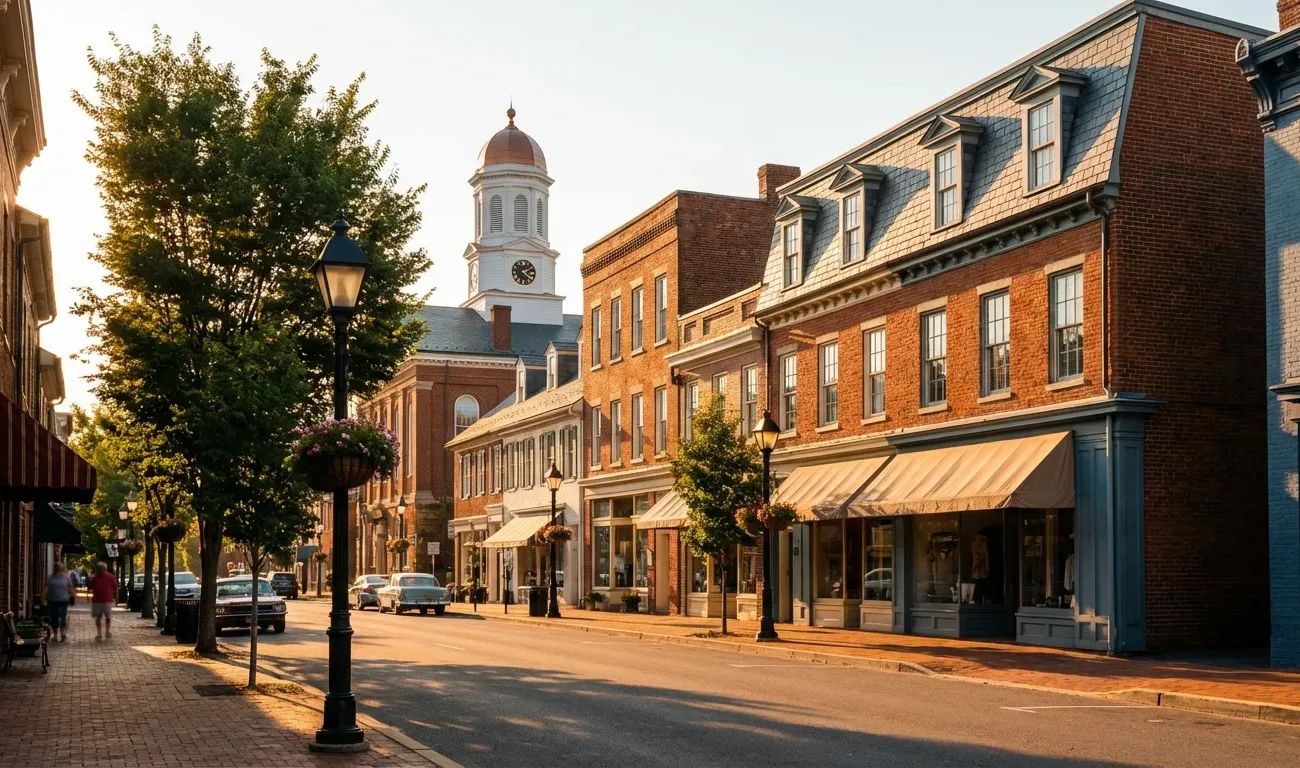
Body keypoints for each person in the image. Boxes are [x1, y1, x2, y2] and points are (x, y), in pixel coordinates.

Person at [87, 562, 118, 641]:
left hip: (107, 600)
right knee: (98, 617)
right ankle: (100, 633)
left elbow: (115, 588)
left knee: (107, 617)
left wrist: (115, 597)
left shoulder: (110, 577)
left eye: (102, 569)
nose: (101, 570)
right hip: (98, 600)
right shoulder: (94, 577)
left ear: (105, 569)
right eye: (99, 569)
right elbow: (90, 587)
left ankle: (107, 631)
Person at [44, 563, 74, 642]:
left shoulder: (66, 577)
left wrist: (72, 594)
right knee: (54, 618)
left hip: (63, 600)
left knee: (62, 617)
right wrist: (43, 597)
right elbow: (46, 588)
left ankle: (62, 633)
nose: (58, 569)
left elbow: (70, 586)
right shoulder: (50, 578)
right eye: (56, 568)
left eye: (59, 568)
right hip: (52, 601)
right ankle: (55, 634)